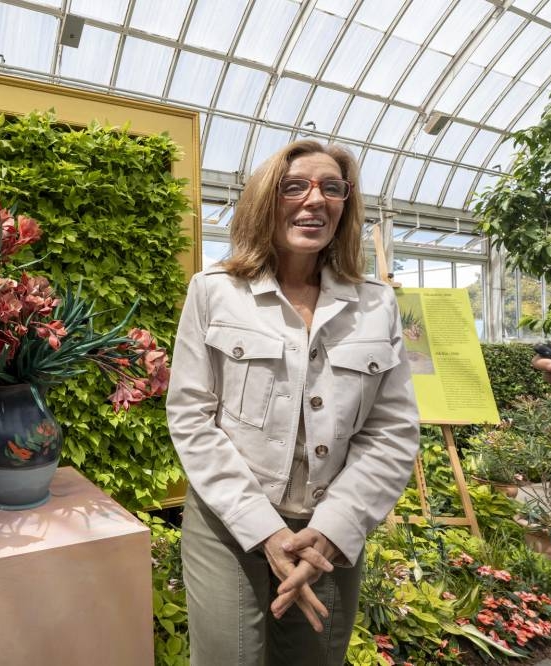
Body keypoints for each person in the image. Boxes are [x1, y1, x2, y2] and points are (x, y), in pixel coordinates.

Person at [167, 140, 420, 665]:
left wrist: (332, 529)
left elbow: (391, 431)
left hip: (328, 528)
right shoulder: (215, 291)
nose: (316, 199)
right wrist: (265, 530)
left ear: (345, 204)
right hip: (226, 520)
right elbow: (191, 417)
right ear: (265, 199)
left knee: (315, 657)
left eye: (332, 188)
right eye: (295, 186)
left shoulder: (376, 304)